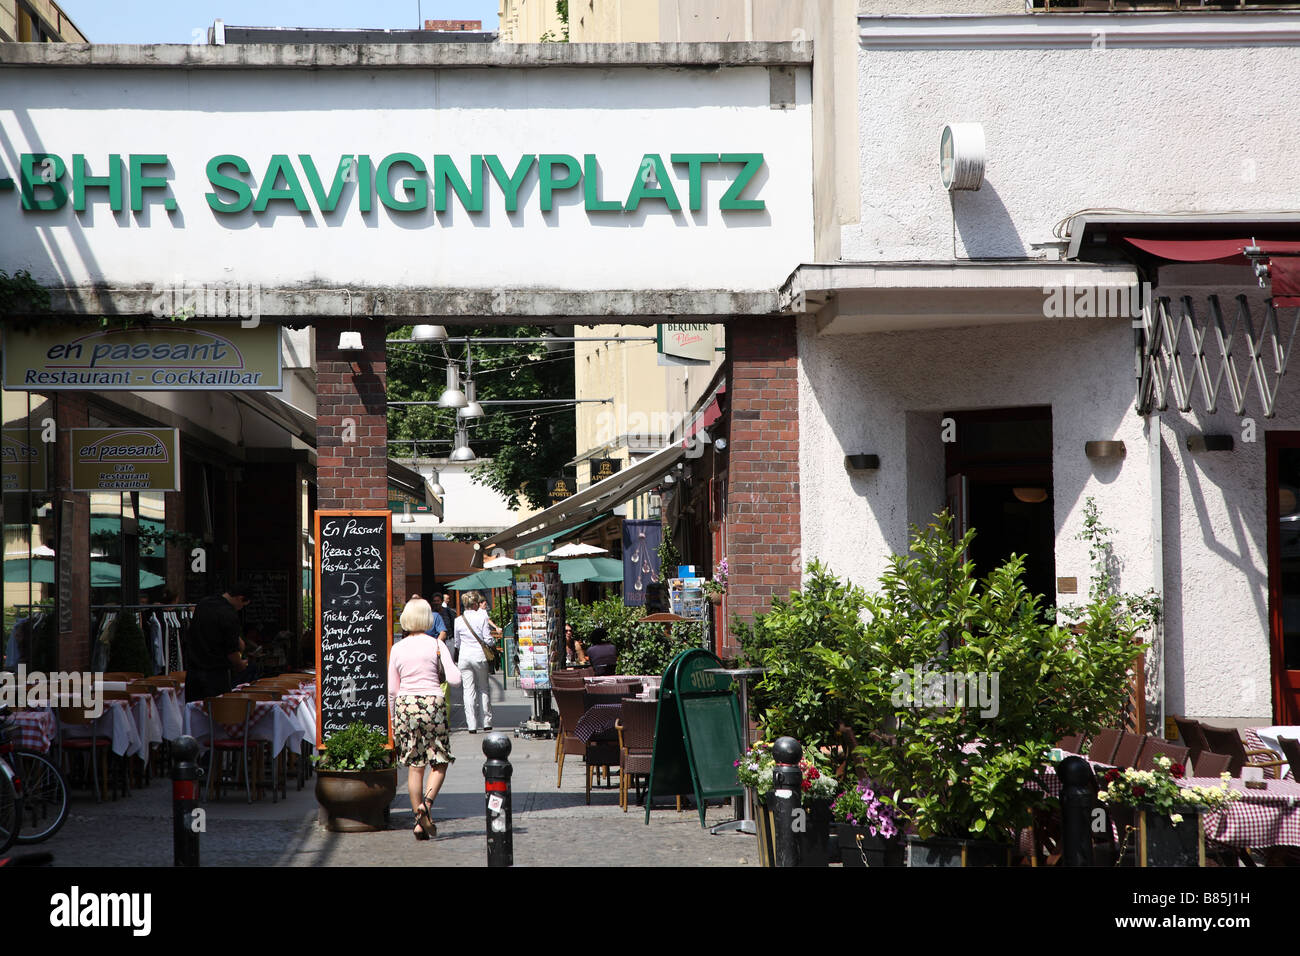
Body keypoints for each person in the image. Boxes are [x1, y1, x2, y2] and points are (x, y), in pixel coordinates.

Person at [389, 597, 460, 841]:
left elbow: (391, 688)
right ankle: (426, 805)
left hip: (406, 706)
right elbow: (455, 680)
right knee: (439, 761)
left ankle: (418, 823)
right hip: (432, 703)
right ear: (428, 618)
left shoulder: (397, 648)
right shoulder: (436, 645)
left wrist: (393, 718)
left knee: (414, 765)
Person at [184, 583, 252, 702]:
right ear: (240, 598)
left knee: (195, 713)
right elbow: (232, 652)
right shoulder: (229, 614)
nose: (240, 608)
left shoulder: (203, 604)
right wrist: (240, 664)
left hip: (193, 673)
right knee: (217, 715)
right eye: (242, 605)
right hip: (216, 675)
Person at [454, 590, 500, 733]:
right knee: (483, 688)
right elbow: (487, 639)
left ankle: (471, 725)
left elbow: (457, 643)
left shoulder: (458, 620)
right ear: (475, 604)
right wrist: (493, 643)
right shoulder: (482, 618)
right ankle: (486, 721)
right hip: (479, 656)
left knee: (468, 690)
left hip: (464, 657)